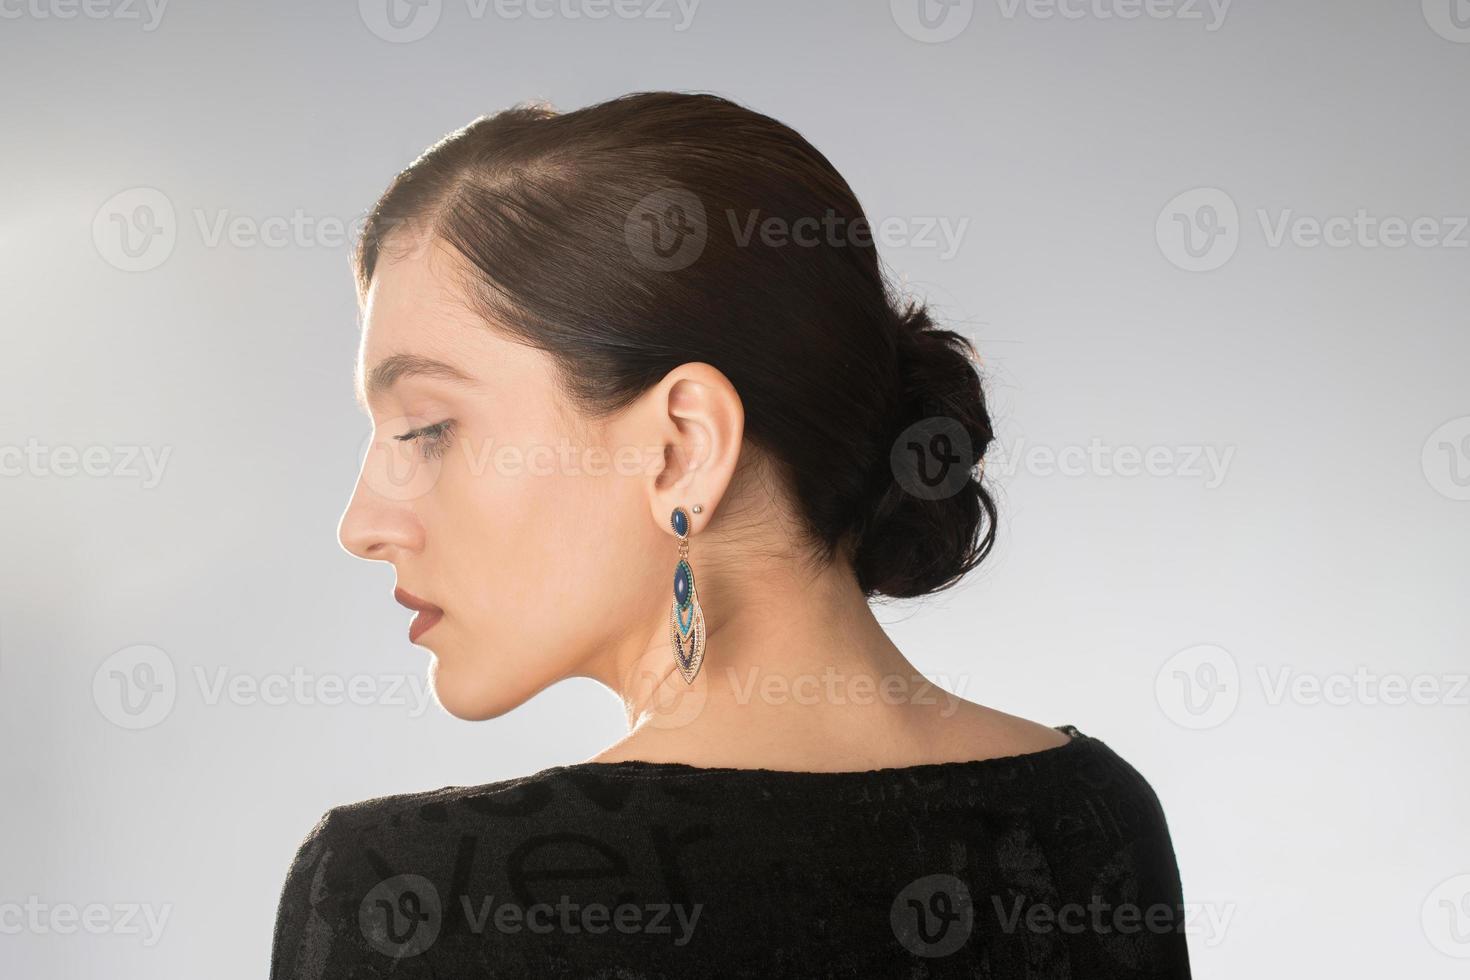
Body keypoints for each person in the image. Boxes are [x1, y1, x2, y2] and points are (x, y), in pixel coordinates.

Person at [270, 91, 1191, 978]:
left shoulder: (400, 895)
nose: (363, 524)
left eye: (426, 428)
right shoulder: (1096, 820)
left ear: (682, 448)